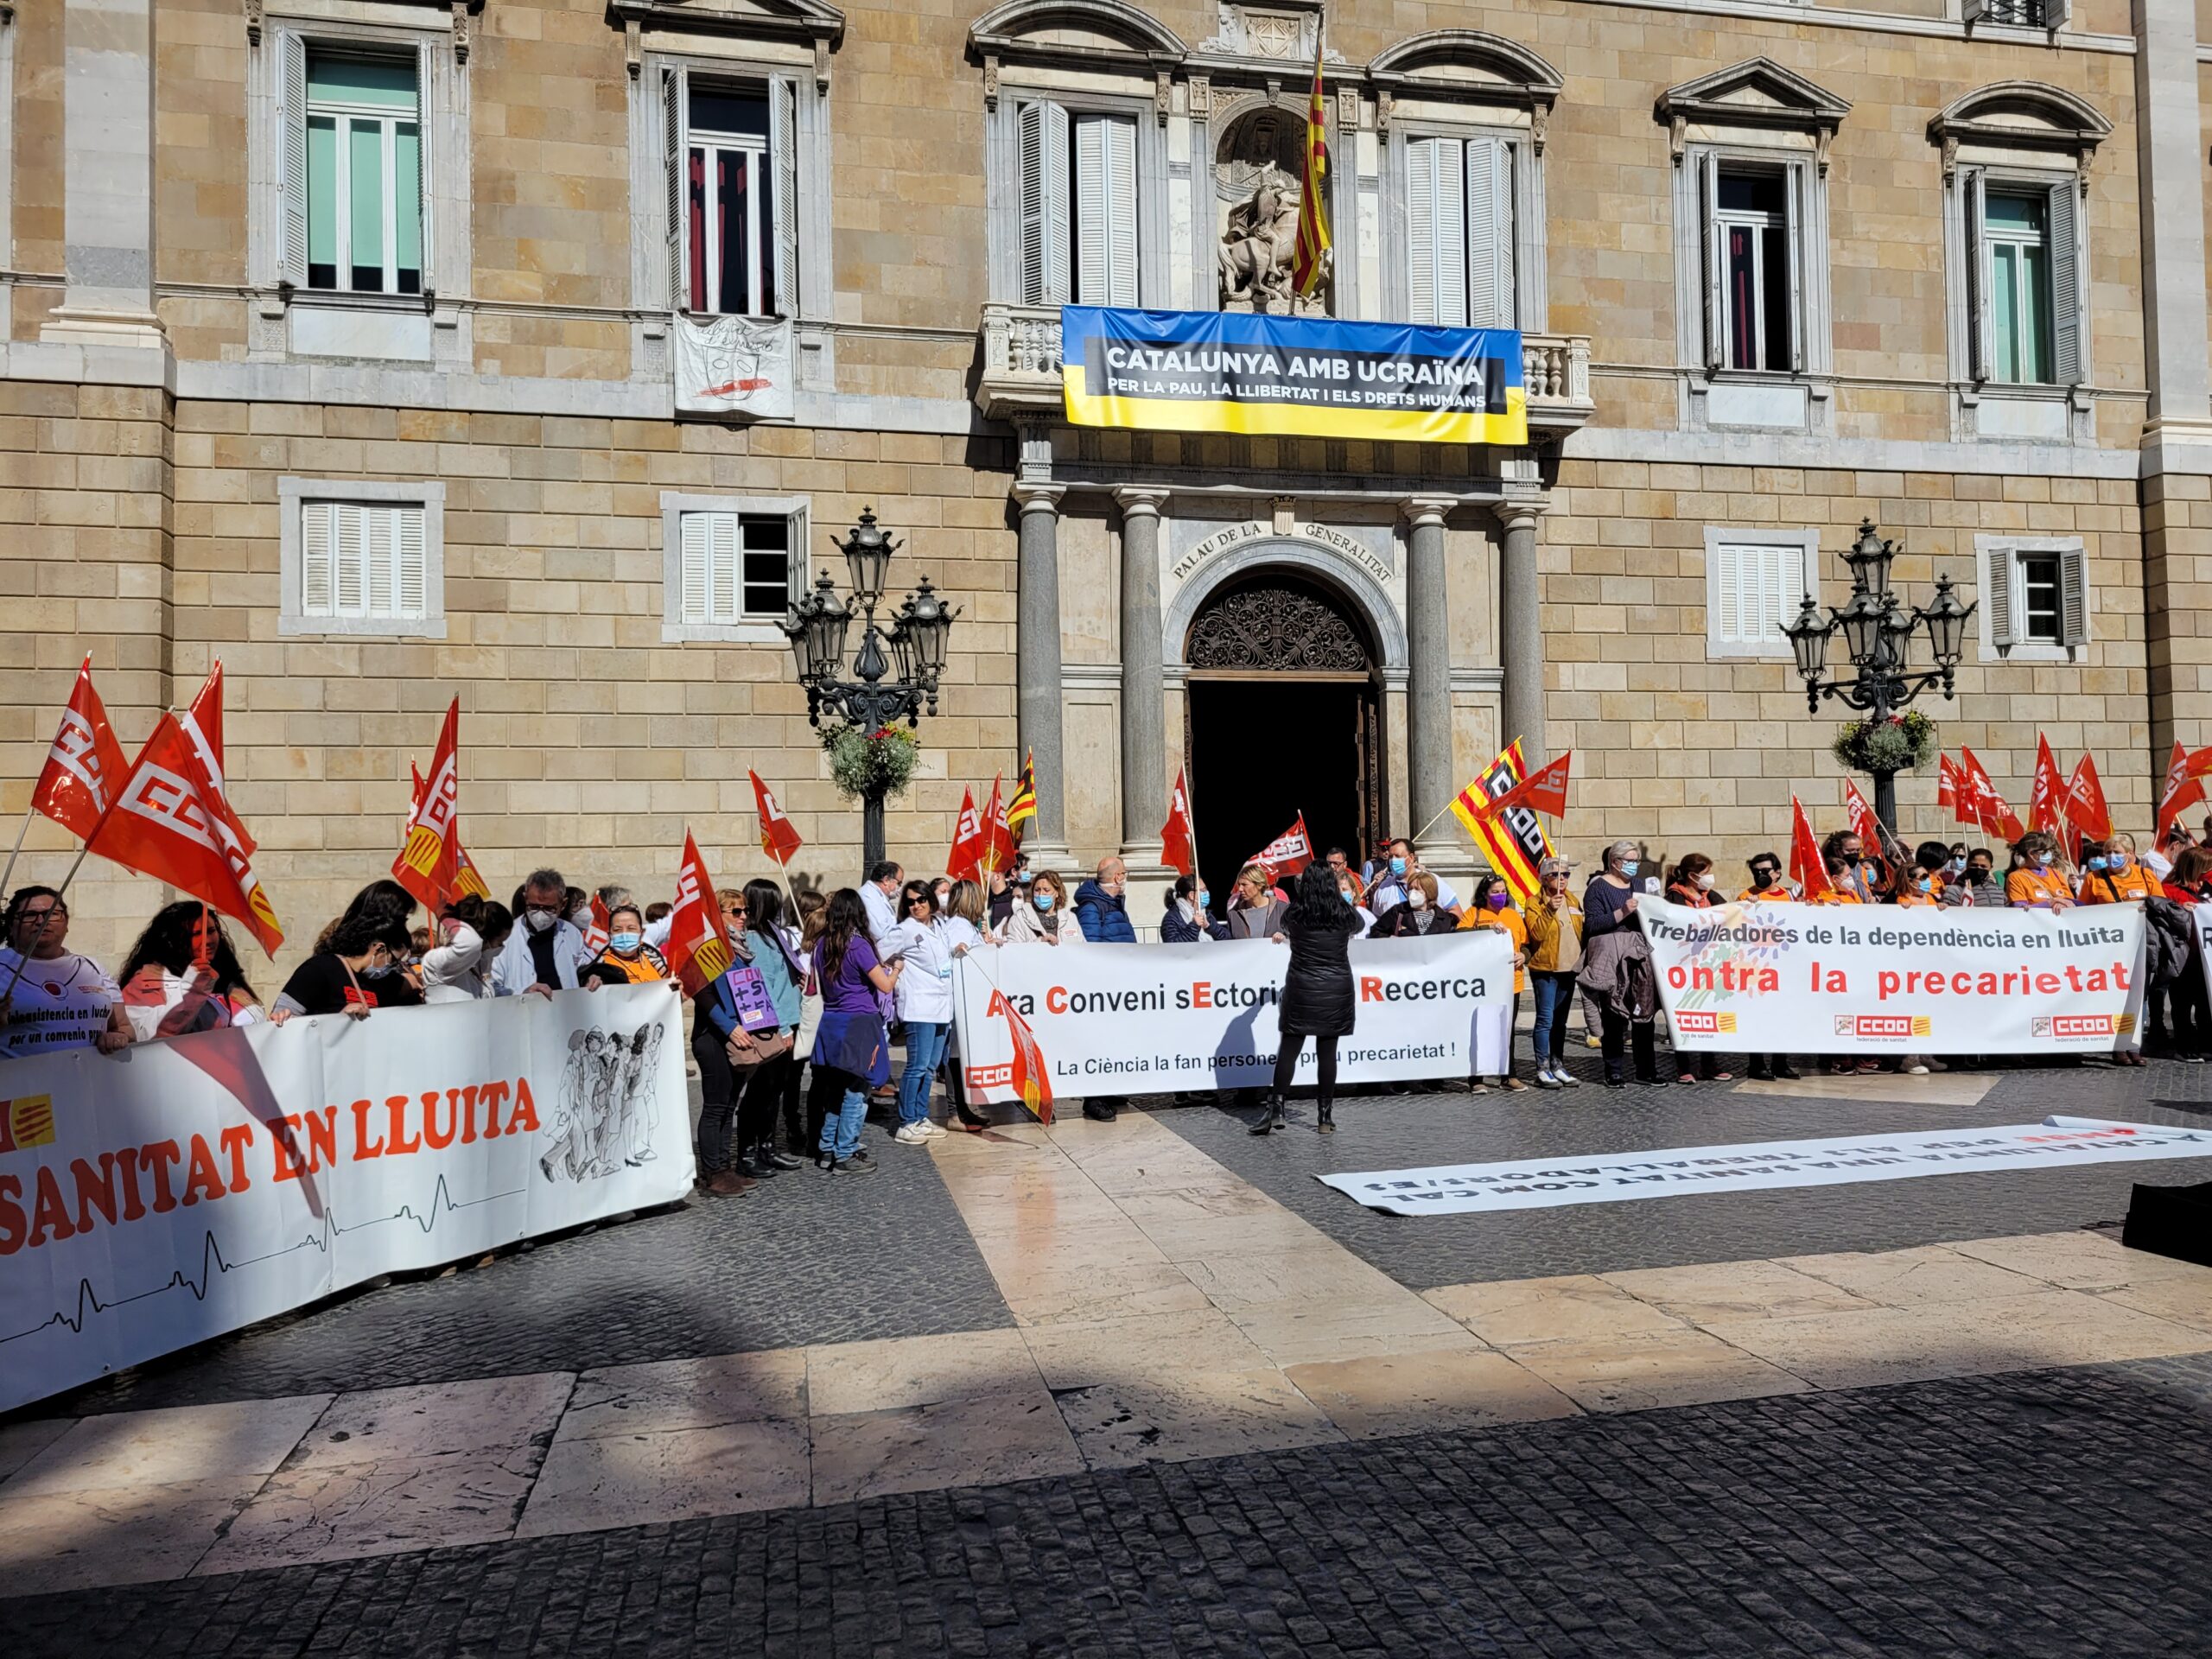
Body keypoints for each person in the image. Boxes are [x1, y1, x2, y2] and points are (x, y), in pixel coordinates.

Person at [1250, 863, 1362, 1135]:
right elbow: (1357, 925)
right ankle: (1325, 1116)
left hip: (1302, 985)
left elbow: (1286, 926)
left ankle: (1276, 1108)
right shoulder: (1344, 913)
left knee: (1289, 1049)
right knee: (1327, 1053)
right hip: (1336, 987)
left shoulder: (1295, 913)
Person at [810, 888, 895, 1174]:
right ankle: (845, 1152)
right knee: (857, 1091)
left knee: (835, 1091)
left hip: (832, 1021)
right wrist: (896, 969)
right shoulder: (857, 945)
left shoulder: (822, 944)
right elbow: (884, 985)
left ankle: (826, 1149)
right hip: (859, 1023)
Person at [729, 881, 806, 1177]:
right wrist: (784, 1028)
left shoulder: (773, 934)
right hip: (773, 1027)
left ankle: (768, 1147)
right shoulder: (755, 940)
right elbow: (763, 986)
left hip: (787, 1019)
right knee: (760, 1092)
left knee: (774, 1090)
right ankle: (748, 1153)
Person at [0, 887, 131, 1058]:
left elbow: (123, 1027)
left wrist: (117, 1037)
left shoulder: (93, 968)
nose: (41, 921)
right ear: (11, 925)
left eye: (52, 914)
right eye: (29, 915)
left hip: (88, 1082)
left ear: (66, 923)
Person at [1580, 840, 1664, 1087]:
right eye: (1630, 861)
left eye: (1636, 860)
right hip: (1612, 958)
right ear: (1615, 862)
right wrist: (1622, 912)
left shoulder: (1640, 886)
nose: (1634, 865)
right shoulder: (1598, 889)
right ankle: (1614, 1068)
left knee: (1644, 1014)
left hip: (1639, 956)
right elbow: (1592, 925)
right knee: (1614, 1014)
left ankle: (1646, 1069)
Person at [118, 902, 264, 1040]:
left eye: (211, 931)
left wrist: (276, 1023)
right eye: (196, 934)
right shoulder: (145, 984)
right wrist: (194, 988)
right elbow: (152, 1034)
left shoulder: (229, 983)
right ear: (172, 940)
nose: (207, 940)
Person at [882, 880, 956, 1146]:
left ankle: (920, 1116)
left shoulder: (940, 924)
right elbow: (878, 954)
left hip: (942, 1005)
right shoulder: (903, 930)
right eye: (910, 901)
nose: (916, 905)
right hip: (919, 1006)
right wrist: (897, 970)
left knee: (930, 1067)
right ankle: (906, 1122)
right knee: (916, 1066)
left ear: (930, 901)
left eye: (921, 900)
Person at [271, 908, 414, 1021]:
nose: (394, 967)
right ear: (379, 949)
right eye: (394, 960)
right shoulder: (320, 968)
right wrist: (337, 1020)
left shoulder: (385, 982)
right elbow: (282, 1020)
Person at [1662, 856, 1732, 1084]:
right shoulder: (1674, 897)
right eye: (1706, 872)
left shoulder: (1709, 896)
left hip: (1709, 968)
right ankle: (1683, 1067)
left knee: (1709, 1017)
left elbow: (1731, 913)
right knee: (1683, 1018)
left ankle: (1708, 1065)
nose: (1709, 877)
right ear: (1693, 876)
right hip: (1683, 967)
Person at [1460, 874, 1529, 1091]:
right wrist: (1486, 929)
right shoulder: (1474, 913)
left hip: (1512, 982)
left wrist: (1524, 956)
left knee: (1507, 1031)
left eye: (1503, 891)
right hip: (1484, 982)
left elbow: (1526, 944)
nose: (1500, 895)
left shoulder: (1513, 915)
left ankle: (1509, 1075)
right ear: (1485, 894)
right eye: (1495, 892)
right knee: (1481, 1029)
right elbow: (1460, 935)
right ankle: (1476, 1079)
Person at [1522, 856, 1583, 1089]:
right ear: (1545, 878)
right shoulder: (1534, 902)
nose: (1563, 879)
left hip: (1569, 968)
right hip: (1546, 969)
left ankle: (1558, 1064)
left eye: (1566, 874)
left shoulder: (1573, 900)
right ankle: (1542, 1067)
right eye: (1557, 874)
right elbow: (1536, 934)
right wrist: (1549, 909)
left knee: (1561, 1022)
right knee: (1545, 1019)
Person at [495, 867, 594, 995]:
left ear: (563, 905)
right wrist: (522, 993)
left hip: (566, 1011)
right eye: (534, 907)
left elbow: (583, 969)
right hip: (524, 1012)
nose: (540, 914)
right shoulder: (506, 938)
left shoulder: (571, 933)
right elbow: (492, 987)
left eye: (549, 909)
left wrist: (591, 977)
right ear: (525, 899)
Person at [421, 896, 513, 1002]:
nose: (500, 947)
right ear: (484, 938)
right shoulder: (440, 963)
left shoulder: (481, 964)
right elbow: (471, 943)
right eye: (499, 942)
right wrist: (444, 916)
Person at [1366, 838, 1460, 915]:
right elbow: (1376, 922)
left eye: (1398, 856)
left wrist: (1438, 927)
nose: (1393, 860)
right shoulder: (1384, 888)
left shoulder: (1433, 881)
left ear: (1411, 858)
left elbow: (1456, 912)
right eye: (1391, 857)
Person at [582, 903, 671, 985]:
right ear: (610, 935)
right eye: (617, 930)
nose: (624, 934)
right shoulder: (602, 967)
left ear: (642, 933)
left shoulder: (654, 959)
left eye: (631, 928)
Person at [1001, 868, 1084, 944]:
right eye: (1037, 890)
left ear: (1057, 893)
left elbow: (1082, 948)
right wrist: (1039, 942)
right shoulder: (1019, 918)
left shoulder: (1071, 919)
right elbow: (1013, 951)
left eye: (1046, 890)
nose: (1041, 894)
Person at [1369, 868, 1450, 937]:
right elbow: (1375, 931)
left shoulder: (1443, 918)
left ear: (1429, 892)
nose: (1412, 892)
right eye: (1410, 889)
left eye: (1417, 889)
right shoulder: (1398, 912)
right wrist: (1390, 939)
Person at [1074, 857, 1139, 944]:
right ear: (1118, 877)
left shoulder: (1116, 904)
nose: (1126, 877)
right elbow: (1091, 946)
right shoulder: (1091, 908)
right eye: (1124, 873)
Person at [2080, 834, 2159, 904]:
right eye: (2108, 852)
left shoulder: (2145, 874)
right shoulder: (2093, 878)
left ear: (2130, 854)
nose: (2112, 856)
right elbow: (2083, 909)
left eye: (2117, 852)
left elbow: (2160, 903)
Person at [2005, 833, 2075, 911]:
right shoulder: (2016, 877)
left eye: (2050, 850)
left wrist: (2063, 904)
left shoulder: (2056, 874)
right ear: (2031, 854)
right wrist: (2050, 903)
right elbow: (2020, 909)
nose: (2050, 854)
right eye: (2045, 851)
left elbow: (2071, 901)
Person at [1225, 862, 1290, 938]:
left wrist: (1286, 937)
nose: (1240, 889)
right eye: (1239, 885)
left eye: (1244, 885)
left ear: (1259, 885)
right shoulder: (1233, 915)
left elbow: (1298, 938)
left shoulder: (1282, 909)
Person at [1160, 874, 1228, 942]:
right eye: (1203, 890)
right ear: (1191, 895)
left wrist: (1209, 926)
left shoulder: (1205, 914)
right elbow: (1172, 945)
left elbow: (1227, 938)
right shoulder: (1171, 918)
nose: (1207, 893)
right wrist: (1194, 926)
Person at [859, 859, 904, 944]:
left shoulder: (877, 895)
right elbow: (880, 932)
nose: (899, 888)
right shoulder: (868, 896)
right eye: (899, 883)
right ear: (886, 880)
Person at [1334, 868, 1376, 935]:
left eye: (1344, 889)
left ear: (1354, 892)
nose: (1341, 893)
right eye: (1337, 890)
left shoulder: (1366, 916)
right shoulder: (1329, 917)